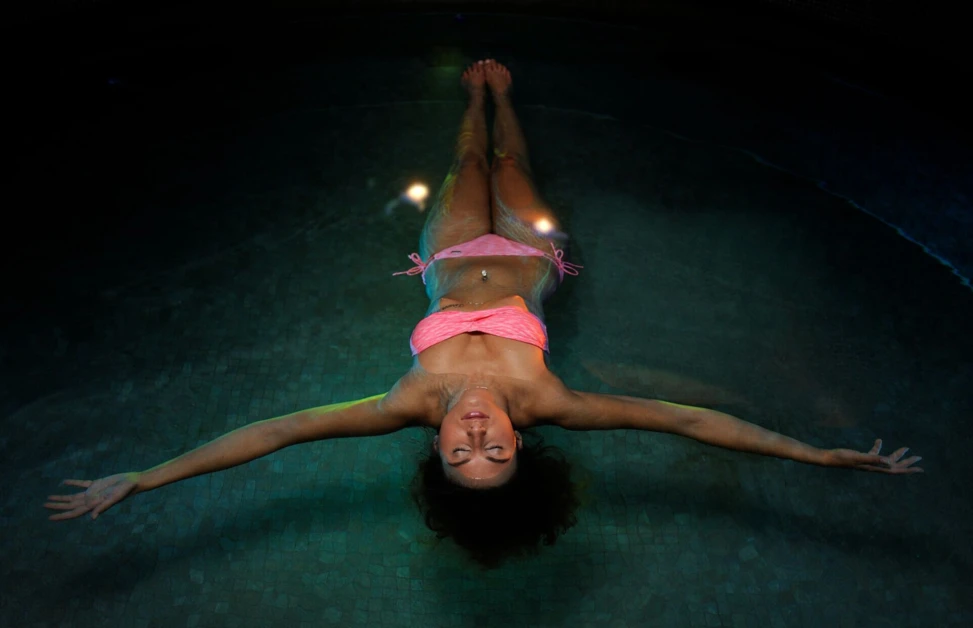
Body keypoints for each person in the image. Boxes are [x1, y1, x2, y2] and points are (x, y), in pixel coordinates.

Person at [45, 60, 924, 568]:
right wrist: (814, 452)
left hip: (451, 255)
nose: (474, 430)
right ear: (519, 446)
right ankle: (506, 100)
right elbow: (689, 419)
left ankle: (473, 99)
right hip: (532, 260)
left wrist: (145, 478)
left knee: (467, 160)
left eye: (462, 450)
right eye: (493, 450)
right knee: (514, 164)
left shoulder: (402, 405)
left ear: (433, 450)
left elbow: (269, 435)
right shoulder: (553, 405)